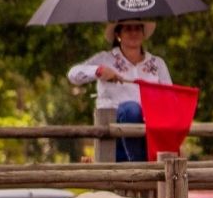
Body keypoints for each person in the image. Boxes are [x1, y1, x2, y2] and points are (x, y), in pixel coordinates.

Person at [68, 19, 171, 162]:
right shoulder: (105, 58)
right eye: (128, 29)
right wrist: (99, 70)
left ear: (143, 33)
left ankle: (143, 167)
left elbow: (170, 98)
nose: (133, 33)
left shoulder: (157, 63)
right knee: (131, 109)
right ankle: (139, 167)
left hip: (150, 132)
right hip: (114, 131)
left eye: (137, 28)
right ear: (118, 34)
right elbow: (73, 74)